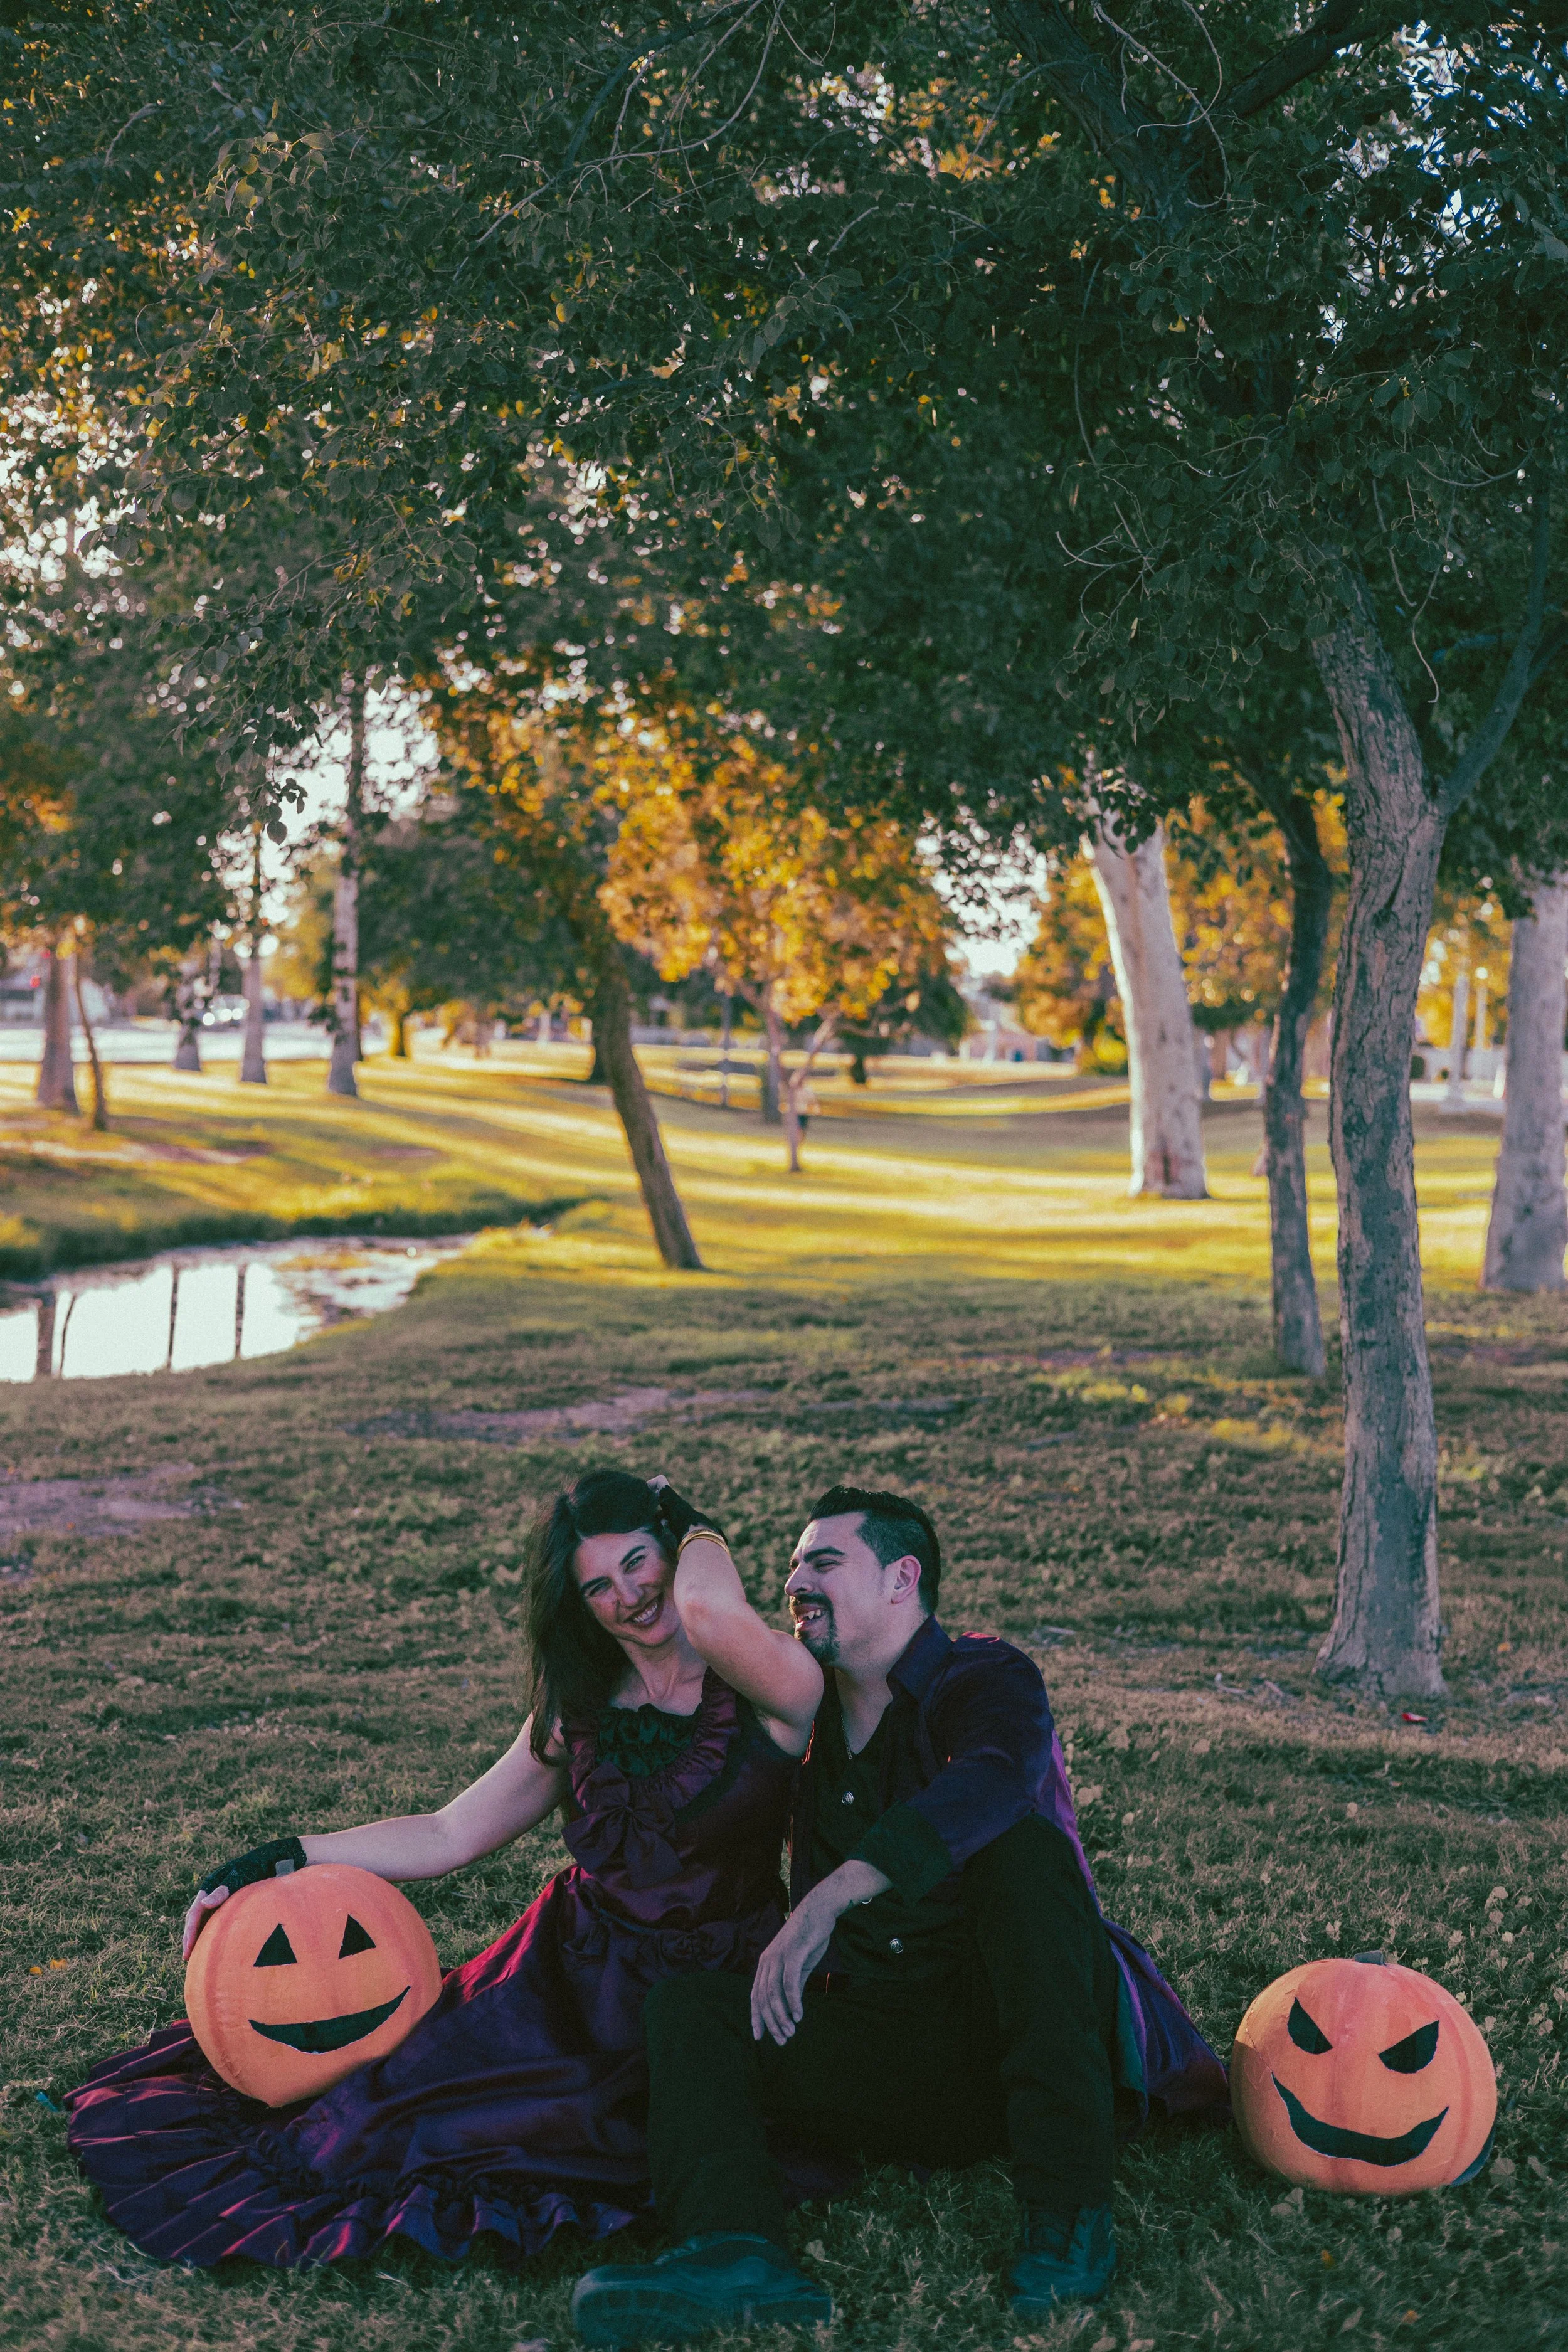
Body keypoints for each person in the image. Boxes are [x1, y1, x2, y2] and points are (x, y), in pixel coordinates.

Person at [65, 1470, 822, 2270]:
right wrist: (285, 1855)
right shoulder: (582, 1701)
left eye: (640, 1561)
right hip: (572, 1969)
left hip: (712, 1982)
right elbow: (449, 1831)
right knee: (399, 2115)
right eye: (598, 1585)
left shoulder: (772, 1682)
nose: (629, 1595)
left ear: (677, 1552)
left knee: (588, 2132)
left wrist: (690, 1521)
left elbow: (710, 1612)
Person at [572, 1483, 1227, 2344]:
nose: (797, 1577)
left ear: (900, 1578)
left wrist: (836, 1890)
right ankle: (735, 2252)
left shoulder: (986, 1675)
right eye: (795, 1561)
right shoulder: (809, 1716)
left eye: (825, 1560)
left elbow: (993, 1775)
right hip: (882, 2044)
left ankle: (1066, 2216)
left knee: (1024, 1853)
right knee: (692, 2008)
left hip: (1001, 2038)